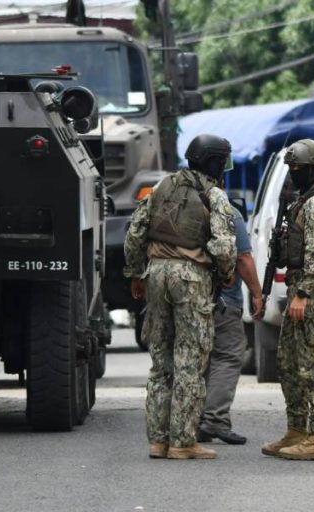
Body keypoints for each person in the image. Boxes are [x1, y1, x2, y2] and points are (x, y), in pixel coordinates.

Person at [123, 134, 236, 460]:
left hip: (156, 274)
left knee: (161, 362)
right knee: (191, 359)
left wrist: (136, 273)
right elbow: (225, 247)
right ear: (215, 162)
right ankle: (183, 442)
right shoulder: (214, 195)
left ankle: (158, 441)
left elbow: (135, 232)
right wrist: (225, 273)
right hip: (191, 277)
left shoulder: (162, 187)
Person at [261, 138, 314, 462]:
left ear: (313, 168)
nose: (294, 173)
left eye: (298, 168)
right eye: (291, 168)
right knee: (290, 364)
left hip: (312, 292)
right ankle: (297, 429)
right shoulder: (304, 200)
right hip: (298, 287)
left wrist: (304, 294)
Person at [197, 203, 264, 446]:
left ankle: (191, 421)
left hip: (181, 299)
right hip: (222, 299)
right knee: (227, 355)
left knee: (193, 359)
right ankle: (214, 420)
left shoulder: (172, 204)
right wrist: (257, 294)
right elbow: (243, 258)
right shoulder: (227, 212)